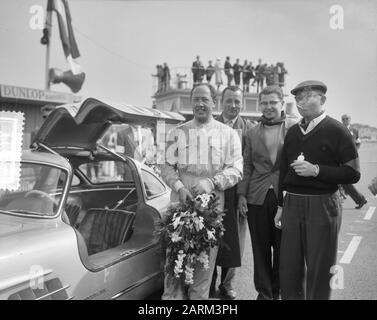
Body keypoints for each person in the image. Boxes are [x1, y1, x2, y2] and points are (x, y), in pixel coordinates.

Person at [275, 80, 361, 300]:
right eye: (298, 98)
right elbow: (283, 171)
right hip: (293, 204)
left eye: (308, 96)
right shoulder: (293, 132)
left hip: (323, 203)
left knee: (321, 268)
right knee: (289, 269)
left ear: (322, 100)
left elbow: (353, 173)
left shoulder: (338, 131)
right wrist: (280, 204)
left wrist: (317, 170)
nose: (302, 102)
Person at [160, 83, 243, 300]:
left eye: (204, 99)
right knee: (174, 270)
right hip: (180, 208)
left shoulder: (229, 135)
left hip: (211, 211)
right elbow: (166, 166)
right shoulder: (177, 133)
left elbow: (236, 169)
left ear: (214, 103)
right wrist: (179, 187)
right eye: (195, 99)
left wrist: (212, 182)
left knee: (203, 273)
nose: (199, 104)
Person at [237, 85, 296, 300]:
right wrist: (242, 194)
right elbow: (247, 166)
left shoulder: (294, 128)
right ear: (260, 105)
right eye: (265, 103)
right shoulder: (252, 132)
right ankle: (264, 293)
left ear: (282, 104)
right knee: (260, 250)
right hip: (257, 196)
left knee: (282, 248)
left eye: (273, 102)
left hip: (285, 196)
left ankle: (277, 290)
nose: (269, 107)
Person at [211, 86, 253, 299]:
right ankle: (208, 281)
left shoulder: (249, 129)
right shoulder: (209, 125)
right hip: (212, 190)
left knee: (235, 239)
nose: (233, 105)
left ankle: (227, 284)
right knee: (208, 236)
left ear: (242, 103)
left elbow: (248, 165)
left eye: (237, 101)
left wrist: (243, 194)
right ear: (221, 101)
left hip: (237, 193)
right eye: (229, 101)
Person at [340, 114, 367, 209]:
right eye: (343, 119)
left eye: (347, 118)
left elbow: (358, 142)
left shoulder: (355, 131)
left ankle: (359, 199)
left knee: (343, 181)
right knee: (342, 181)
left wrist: (355, 152)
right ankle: (359, 199)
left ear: (350, 119)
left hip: (350, 159)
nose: (345, 120)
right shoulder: (338, 129)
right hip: (340, 158)